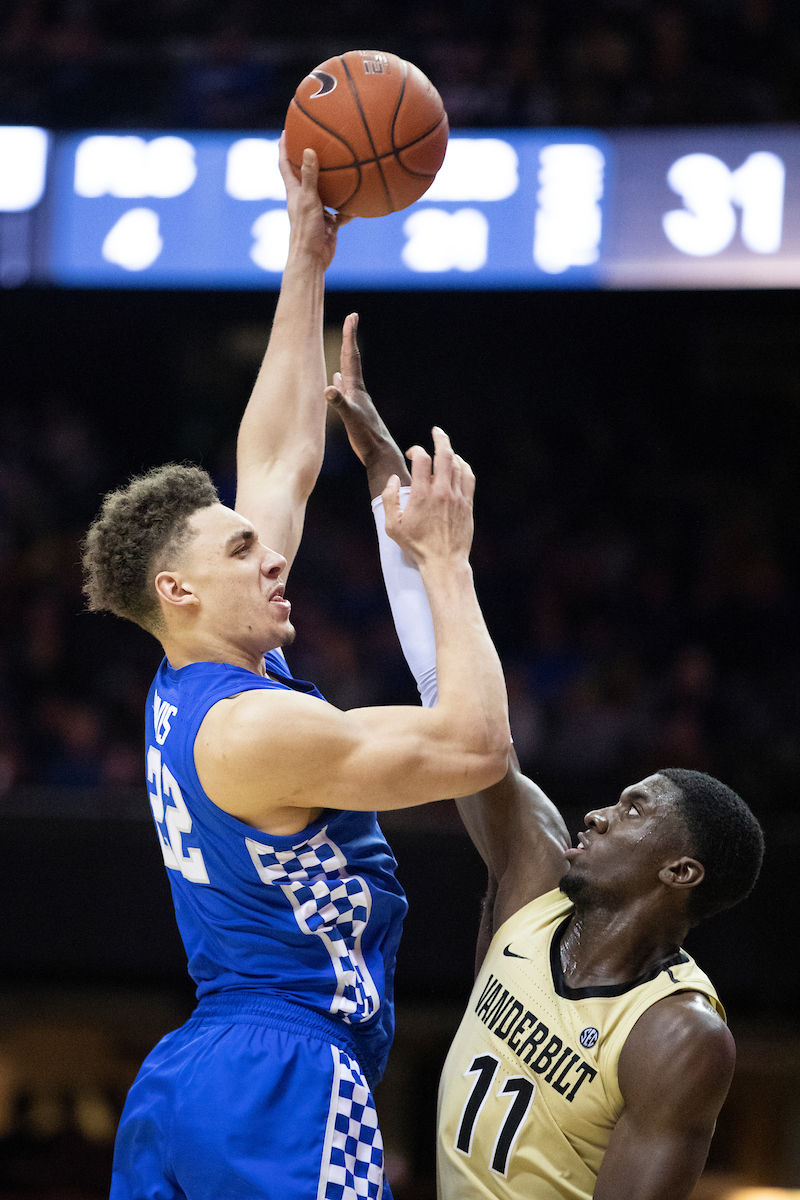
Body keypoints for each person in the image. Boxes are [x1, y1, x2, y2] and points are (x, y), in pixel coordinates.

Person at [81, 141, 511, 1200]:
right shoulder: (252, 731)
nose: (268, 554)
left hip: (199, 1074)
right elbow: (473, 746)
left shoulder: (195, 686)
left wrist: (304, 258)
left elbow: (276, 459)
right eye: (238, 551)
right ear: (177, 591)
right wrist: (442, 561)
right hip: (284, 1071)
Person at [326, 318, 765, 1200]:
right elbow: (445, 685)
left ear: (681, 869)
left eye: (637, 810)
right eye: (618, 798)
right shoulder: (534, 875)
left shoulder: (675, 1035)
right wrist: (385, 483)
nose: (601, 812)